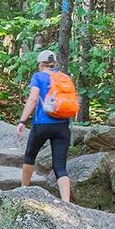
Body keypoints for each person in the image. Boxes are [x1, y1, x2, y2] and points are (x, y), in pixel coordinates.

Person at [15, 50, 73, 202]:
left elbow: (33, 99)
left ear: (40, 64)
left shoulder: (38, 77)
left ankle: (23, 191)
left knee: (29, 156)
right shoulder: (64, 78)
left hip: (42, 124)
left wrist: (22, 121)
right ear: (54, 63)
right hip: (63, 126)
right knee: (60, 166)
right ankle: (67, 203)